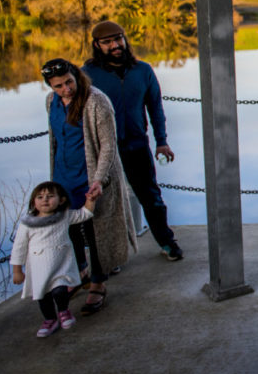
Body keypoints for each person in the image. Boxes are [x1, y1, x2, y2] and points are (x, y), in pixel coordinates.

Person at [82, 21, 183, 261]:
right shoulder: (87, 75)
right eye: (107, 42)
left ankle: (166, 242)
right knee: (102, 202)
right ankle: (106, 257)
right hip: (102, 150)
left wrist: (162, 141)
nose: (115, 45)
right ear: (97, 45)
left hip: (137, 145)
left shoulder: (143, 70)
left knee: (151, 196)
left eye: (118, 39)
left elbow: (155, 108)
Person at [43, 57, 136, 315]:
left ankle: (98, 283)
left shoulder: (96, 100)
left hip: (92, 176)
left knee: (96, 231)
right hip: (64, 177)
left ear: (76, 76)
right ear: (50, 86)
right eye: (58, 85)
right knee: (72, 229)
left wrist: (99, 179)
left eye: (69, 82)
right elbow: (56, 140)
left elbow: (108, 145)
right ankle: (81, 272)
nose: (66, 89)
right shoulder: (51, 102)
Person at [11, 181, 98, 337]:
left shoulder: (64, 216)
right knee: (43, 296)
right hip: (39, 267)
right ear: (33, 202)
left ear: (61, 200)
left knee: (60, 291)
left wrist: (90, 200)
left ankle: (64, 311)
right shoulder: (28, 223)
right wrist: (17, 270)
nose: (45, 200)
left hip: (61, 264)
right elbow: (19, 247)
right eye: (40, 197)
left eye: (50, 196)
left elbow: (84, 214)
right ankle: (50, 319)